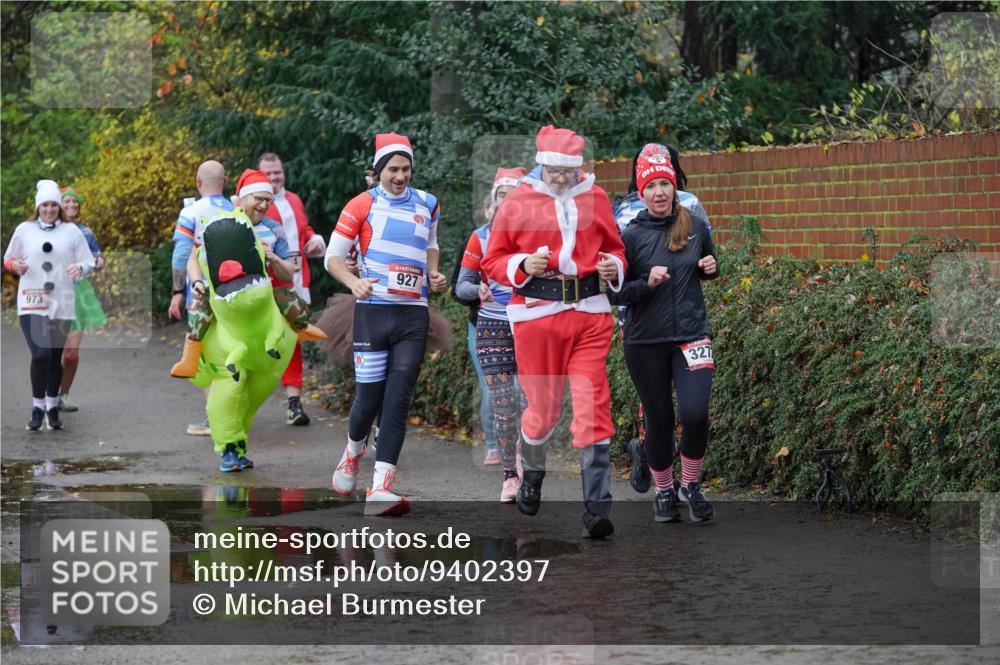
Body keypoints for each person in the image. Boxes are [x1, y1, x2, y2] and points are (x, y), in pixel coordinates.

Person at [481, 126, 627, 539]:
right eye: (554, 171)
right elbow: (493, 261)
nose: (562, 178)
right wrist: (523, 265)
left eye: (568, 171)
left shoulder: (596, 197)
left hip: (589, 315)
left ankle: (596, 509)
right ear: (541, 165)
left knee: (592, 406)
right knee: (543, 412)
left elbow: (616, 248)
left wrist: (614, 266)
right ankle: (531, 473)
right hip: (537, 318)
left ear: (579, 167)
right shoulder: (519, 201)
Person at [325, 132, 446, 516]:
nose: (400, 176)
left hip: (413, 314)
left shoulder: (428, 203)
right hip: (373, 313)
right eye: (393, 169)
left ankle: (381, 487)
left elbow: (431, 243)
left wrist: (433, 273)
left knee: (398, 398)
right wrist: (353, 282)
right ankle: (352, 453)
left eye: (406, 169)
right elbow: (332, 257)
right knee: (368, 399)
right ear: (379, 171)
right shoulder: (362, 204)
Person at [608, 147, 719, 523]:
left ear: (675, 187)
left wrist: (709, 267)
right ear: (641, 193)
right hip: (645, 341)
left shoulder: (695, 224)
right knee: (659, 420)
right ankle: (665, 491)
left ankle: (691, 486)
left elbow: (705, 265)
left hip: (692, 334)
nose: (659, 192)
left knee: (695, 412)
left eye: (664, 184)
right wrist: (647, 283)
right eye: (651, 186)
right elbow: (615, 294)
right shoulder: (630, 235)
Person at [170, 169, 324, 381]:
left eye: (268, 201)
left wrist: (274, 259)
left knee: (293, 301)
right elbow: (192, 256)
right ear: (242, 197)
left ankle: (302, 327)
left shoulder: (274, 229)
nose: (264, 205)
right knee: (198, 309)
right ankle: (190, 358)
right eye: (259, 199)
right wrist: (197, 281)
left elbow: (289, 273)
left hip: (262, 291)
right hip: (222, 292)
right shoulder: (220, 222)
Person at [455, 167, 527, 501]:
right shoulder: (480, 238)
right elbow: (462, 285)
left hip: (529, 325)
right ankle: (510, 476)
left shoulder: (538, 235)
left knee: (529, 400)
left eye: (515, 196)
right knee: (503, 404)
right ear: (494, 200)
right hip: (492, 326)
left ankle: (527, 460)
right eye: (502, 196)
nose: (508, 202)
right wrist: (477, 289)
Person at [4, 180, 95, 431]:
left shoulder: (71, 231)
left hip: (61, 302)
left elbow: (88, 261)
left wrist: (80, 268)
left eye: (54, 205)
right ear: (38, 207)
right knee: (41, 354)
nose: (49, 209)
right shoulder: (24, 230)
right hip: (31, 301)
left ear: (59, 207)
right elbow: (8, 258)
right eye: (44, 205)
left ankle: (52, 407)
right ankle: (37, 406)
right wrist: (14, 265)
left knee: (55, 357)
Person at [259, 152, 328, 426]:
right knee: (259, 341)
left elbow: (303, 229)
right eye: (267, 173)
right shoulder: (252, 204)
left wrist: (315, 241)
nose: (273, 177)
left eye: (277, 172)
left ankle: (294, 403)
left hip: (297, 281)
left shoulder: (295, 199)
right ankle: (240, 400)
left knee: (291, 341)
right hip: (265, 284)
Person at [168, 160, 234, 436]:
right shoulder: (236, 209)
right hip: (235, 292)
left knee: (207, 357)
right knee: (231, 352)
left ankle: (215, 418)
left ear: (198, 183)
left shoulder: (190, 212)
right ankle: (233, 412)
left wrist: (177, 292)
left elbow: (181, 255)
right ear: (225, 182)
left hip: (201, 293)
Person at [56, 185, 107, 412]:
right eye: (66, 201)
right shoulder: (48, 230)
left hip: (78, 291)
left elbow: (98, 258)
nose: (71, 205)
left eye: (74, 201)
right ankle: (48, 394)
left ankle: (63, 395)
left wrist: (98, 262)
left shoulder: (85, 232)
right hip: (53, 291)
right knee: (51, 352)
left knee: (71, 352)